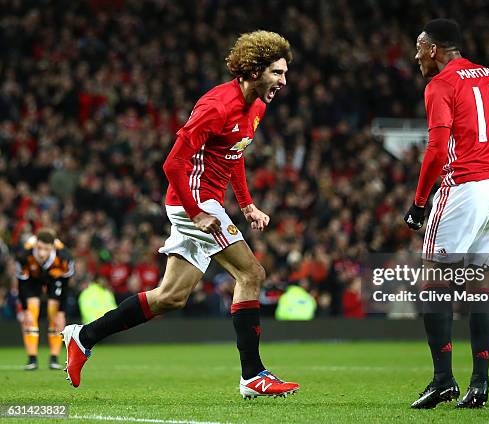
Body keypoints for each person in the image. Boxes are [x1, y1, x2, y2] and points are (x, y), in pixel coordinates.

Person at [62, 30, 300, 399]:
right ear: (254, 70)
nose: (284, 81)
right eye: (278, 73)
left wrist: (248, 204)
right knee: (251, 273)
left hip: (207, 203)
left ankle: (83, 337)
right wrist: (196, 213)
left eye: (285, 73)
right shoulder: (216, 106)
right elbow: (172, 163)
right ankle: (253, 375)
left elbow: (234, 155)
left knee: (170, 297)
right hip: (195, 202)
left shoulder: (257, 105)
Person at [403, 19, 489, 408]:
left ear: (433, 49)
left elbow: (437, 146)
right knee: (481, 287)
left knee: (432, 282)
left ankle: (443, 379)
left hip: (465, 188)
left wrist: (419, 202)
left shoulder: (441, 84)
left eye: (418, 48)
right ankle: (480, 383)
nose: (415, 57)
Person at [15, 228, 74, 370]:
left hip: (54, 278)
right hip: (32, 278)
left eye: (46, 249)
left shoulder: (65, 257)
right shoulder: (24, 255)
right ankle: (32, 359)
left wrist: (62, 311)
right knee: (31, 312)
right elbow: (21, 283)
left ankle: (54, 358)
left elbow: (65, 285)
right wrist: (24, 309)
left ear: (53, 247)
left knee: (55, 313)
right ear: (35, 245)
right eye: (39, 248)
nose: (42, 253)